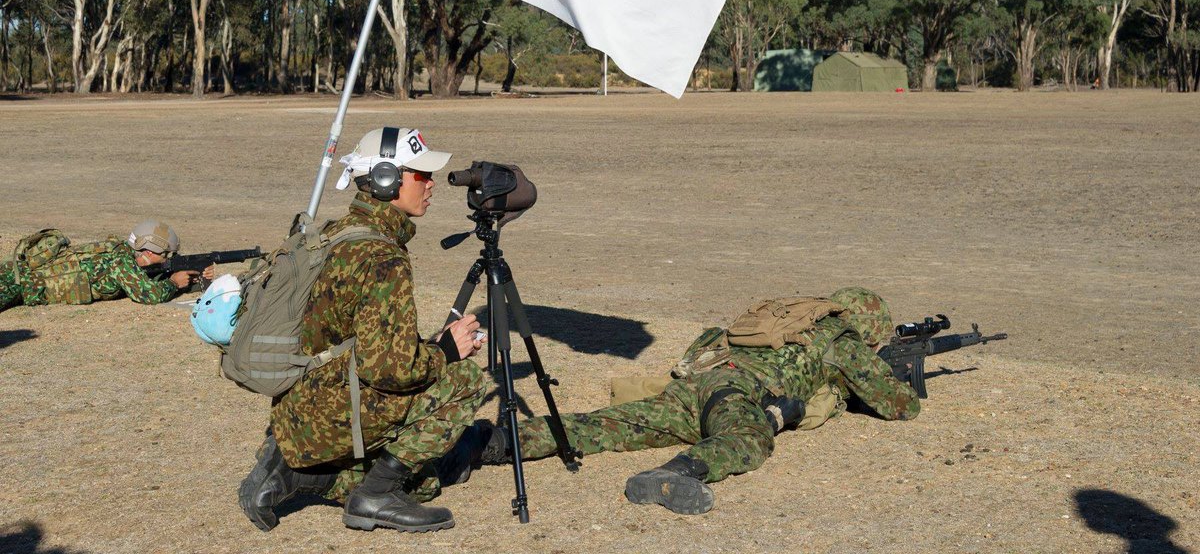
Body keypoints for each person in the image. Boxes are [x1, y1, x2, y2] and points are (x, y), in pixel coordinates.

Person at [457, 288, 919, 515]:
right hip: (735, 393)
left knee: (601, 427)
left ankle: (486, 440)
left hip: (693, 388)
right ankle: (676, 473)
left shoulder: (786, 318)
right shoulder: (840, 337)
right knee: (749, 437)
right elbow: (899, 405)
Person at [238, 126, 487, 535]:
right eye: (421, 175)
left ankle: (292, 473)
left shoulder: (333, 233)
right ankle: (375, 497)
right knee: (465, 380)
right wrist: (447, 352)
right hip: (333, 413)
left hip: (297, 407)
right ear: (387, 180)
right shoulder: (383, 256)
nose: (431, 185)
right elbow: (388, 371)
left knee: (423, 484)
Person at [0, 220, 214, 312]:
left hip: (18, 275)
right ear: (148, 251)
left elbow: (138, 281)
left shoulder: (119, 250)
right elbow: (149, 295)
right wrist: (174, 284)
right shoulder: (122, 262)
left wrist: (193, 281)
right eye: (166, 254)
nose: (168, 258)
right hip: (19, 284)